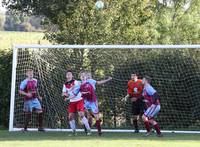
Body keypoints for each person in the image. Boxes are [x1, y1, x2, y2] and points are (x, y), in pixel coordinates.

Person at [62, 70, 91, 135]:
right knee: (70, 117)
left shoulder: (76, 82)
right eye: (67, 74)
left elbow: (82, 84)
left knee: (81, 114)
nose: (69, 75)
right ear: (66, 76)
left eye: (70, 74)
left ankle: (89, 130)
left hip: (79, 100)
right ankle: (74, 132)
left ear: (72, 76)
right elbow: (63, 93)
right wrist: (65, 95)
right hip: (72, 102)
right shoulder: (65, 84)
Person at [80, 72, 102, 136]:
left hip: (92, 101)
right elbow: (76, 93)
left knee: (96, 116)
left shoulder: (90, 82)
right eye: (82, 76)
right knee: (85, 115)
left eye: (84, 75)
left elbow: (92, 93)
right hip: (85, 102)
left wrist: (96, 102)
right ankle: (87, 130)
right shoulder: (80, 84)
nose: (83, 77)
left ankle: (99, 131)